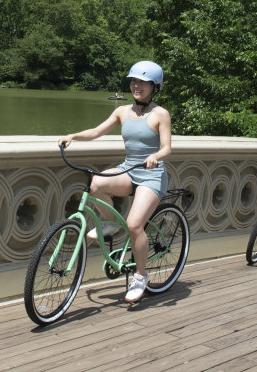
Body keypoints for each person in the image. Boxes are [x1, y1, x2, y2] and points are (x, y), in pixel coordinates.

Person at [59, 61, 172, 303]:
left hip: (152, 175)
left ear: (154, 87)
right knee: (96, 183)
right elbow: (97, 131)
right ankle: (110, 223)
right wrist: (73, 136)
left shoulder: (160, 114)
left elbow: (166, 149)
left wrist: (155, 156)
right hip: (129, 169)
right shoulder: (122, 111)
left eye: (142, 82)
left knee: (134, 224)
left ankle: (141, 276)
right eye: (134, 81)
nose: (136, 85)